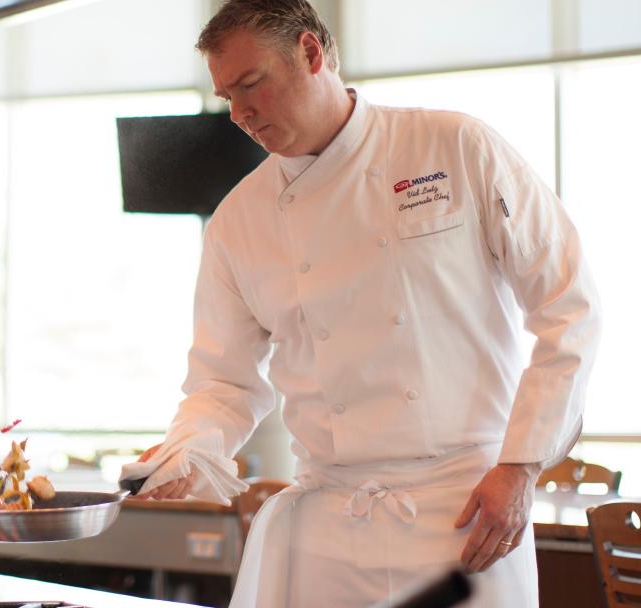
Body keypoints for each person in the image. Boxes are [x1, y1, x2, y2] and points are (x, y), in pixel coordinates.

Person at [125, 1, 602, 606]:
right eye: (226, 96)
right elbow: (223, 384)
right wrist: (184, 451)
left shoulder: (455, 146)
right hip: (330, 530)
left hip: (470, 515)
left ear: (310, 52)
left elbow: (571, 307)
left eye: (252, 85)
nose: (239, 114)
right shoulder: (237, 222)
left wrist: (522, 466)